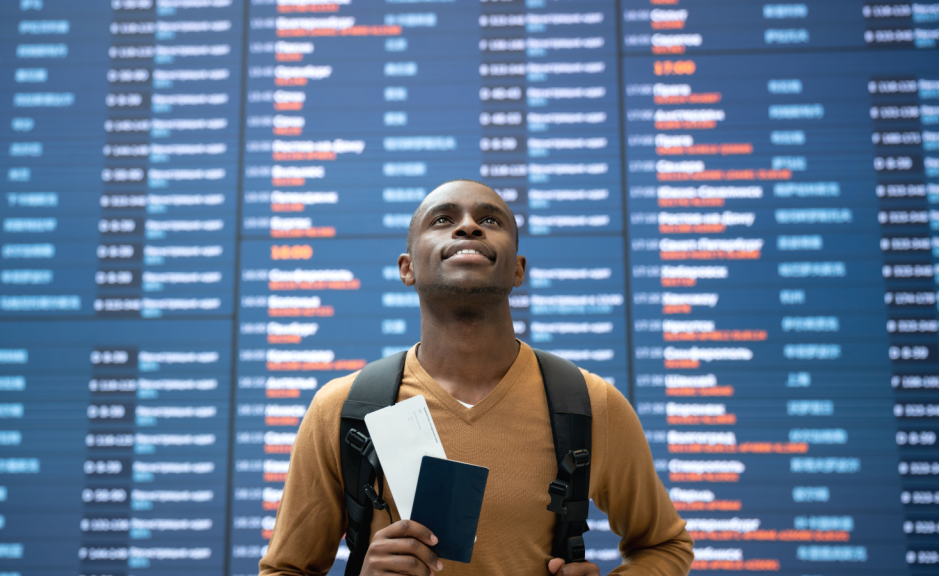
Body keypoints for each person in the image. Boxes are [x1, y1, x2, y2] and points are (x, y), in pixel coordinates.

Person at [259, 180, 694, 576]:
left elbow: (666, 546)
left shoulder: (589, 404)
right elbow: (283, 571)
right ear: (406, 268)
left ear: (518, 269)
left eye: (489, 220)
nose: (469, 227)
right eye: (443, 220)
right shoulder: (344, 409)